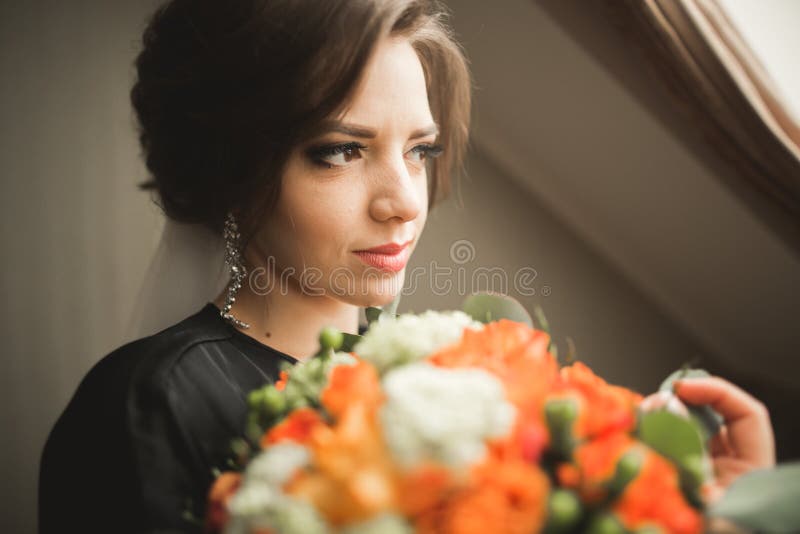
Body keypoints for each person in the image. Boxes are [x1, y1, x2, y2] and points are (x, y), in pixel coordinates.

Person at [37, 0, 774, 532]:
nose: (402, 203)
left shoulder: (459, 390)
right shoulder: (149, 405)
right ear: (232, 170)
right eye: (340, 151)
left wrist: (689, 509)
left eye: (419, 151)